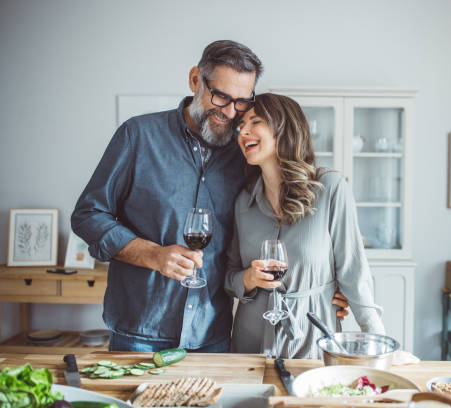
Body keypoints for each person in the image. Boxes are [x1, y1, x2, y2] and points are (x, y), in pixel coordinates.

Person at [72, 40, 348, 352]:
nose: (231, 113)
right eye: (221, 96)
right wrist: (153, 255)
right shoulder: (138, 136)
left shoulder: (247, 153)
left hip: (213, 335)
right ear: (195, 80)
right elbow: (88, 215)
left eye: (242, 102)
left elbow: (282, 226)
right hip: (141, 331)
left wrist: (327, 292)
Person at [225, 93, 385, 359]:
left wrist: (380, 346)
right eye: (241, 125)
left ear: (283, 128)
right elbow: (228, 275)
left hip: (313, 341)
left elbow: (354, 274)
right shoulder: (243, 202)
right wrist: (247, 279)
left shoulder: (330, 188)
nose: (244, 131)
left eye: (256, 122)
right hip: (250, 344)